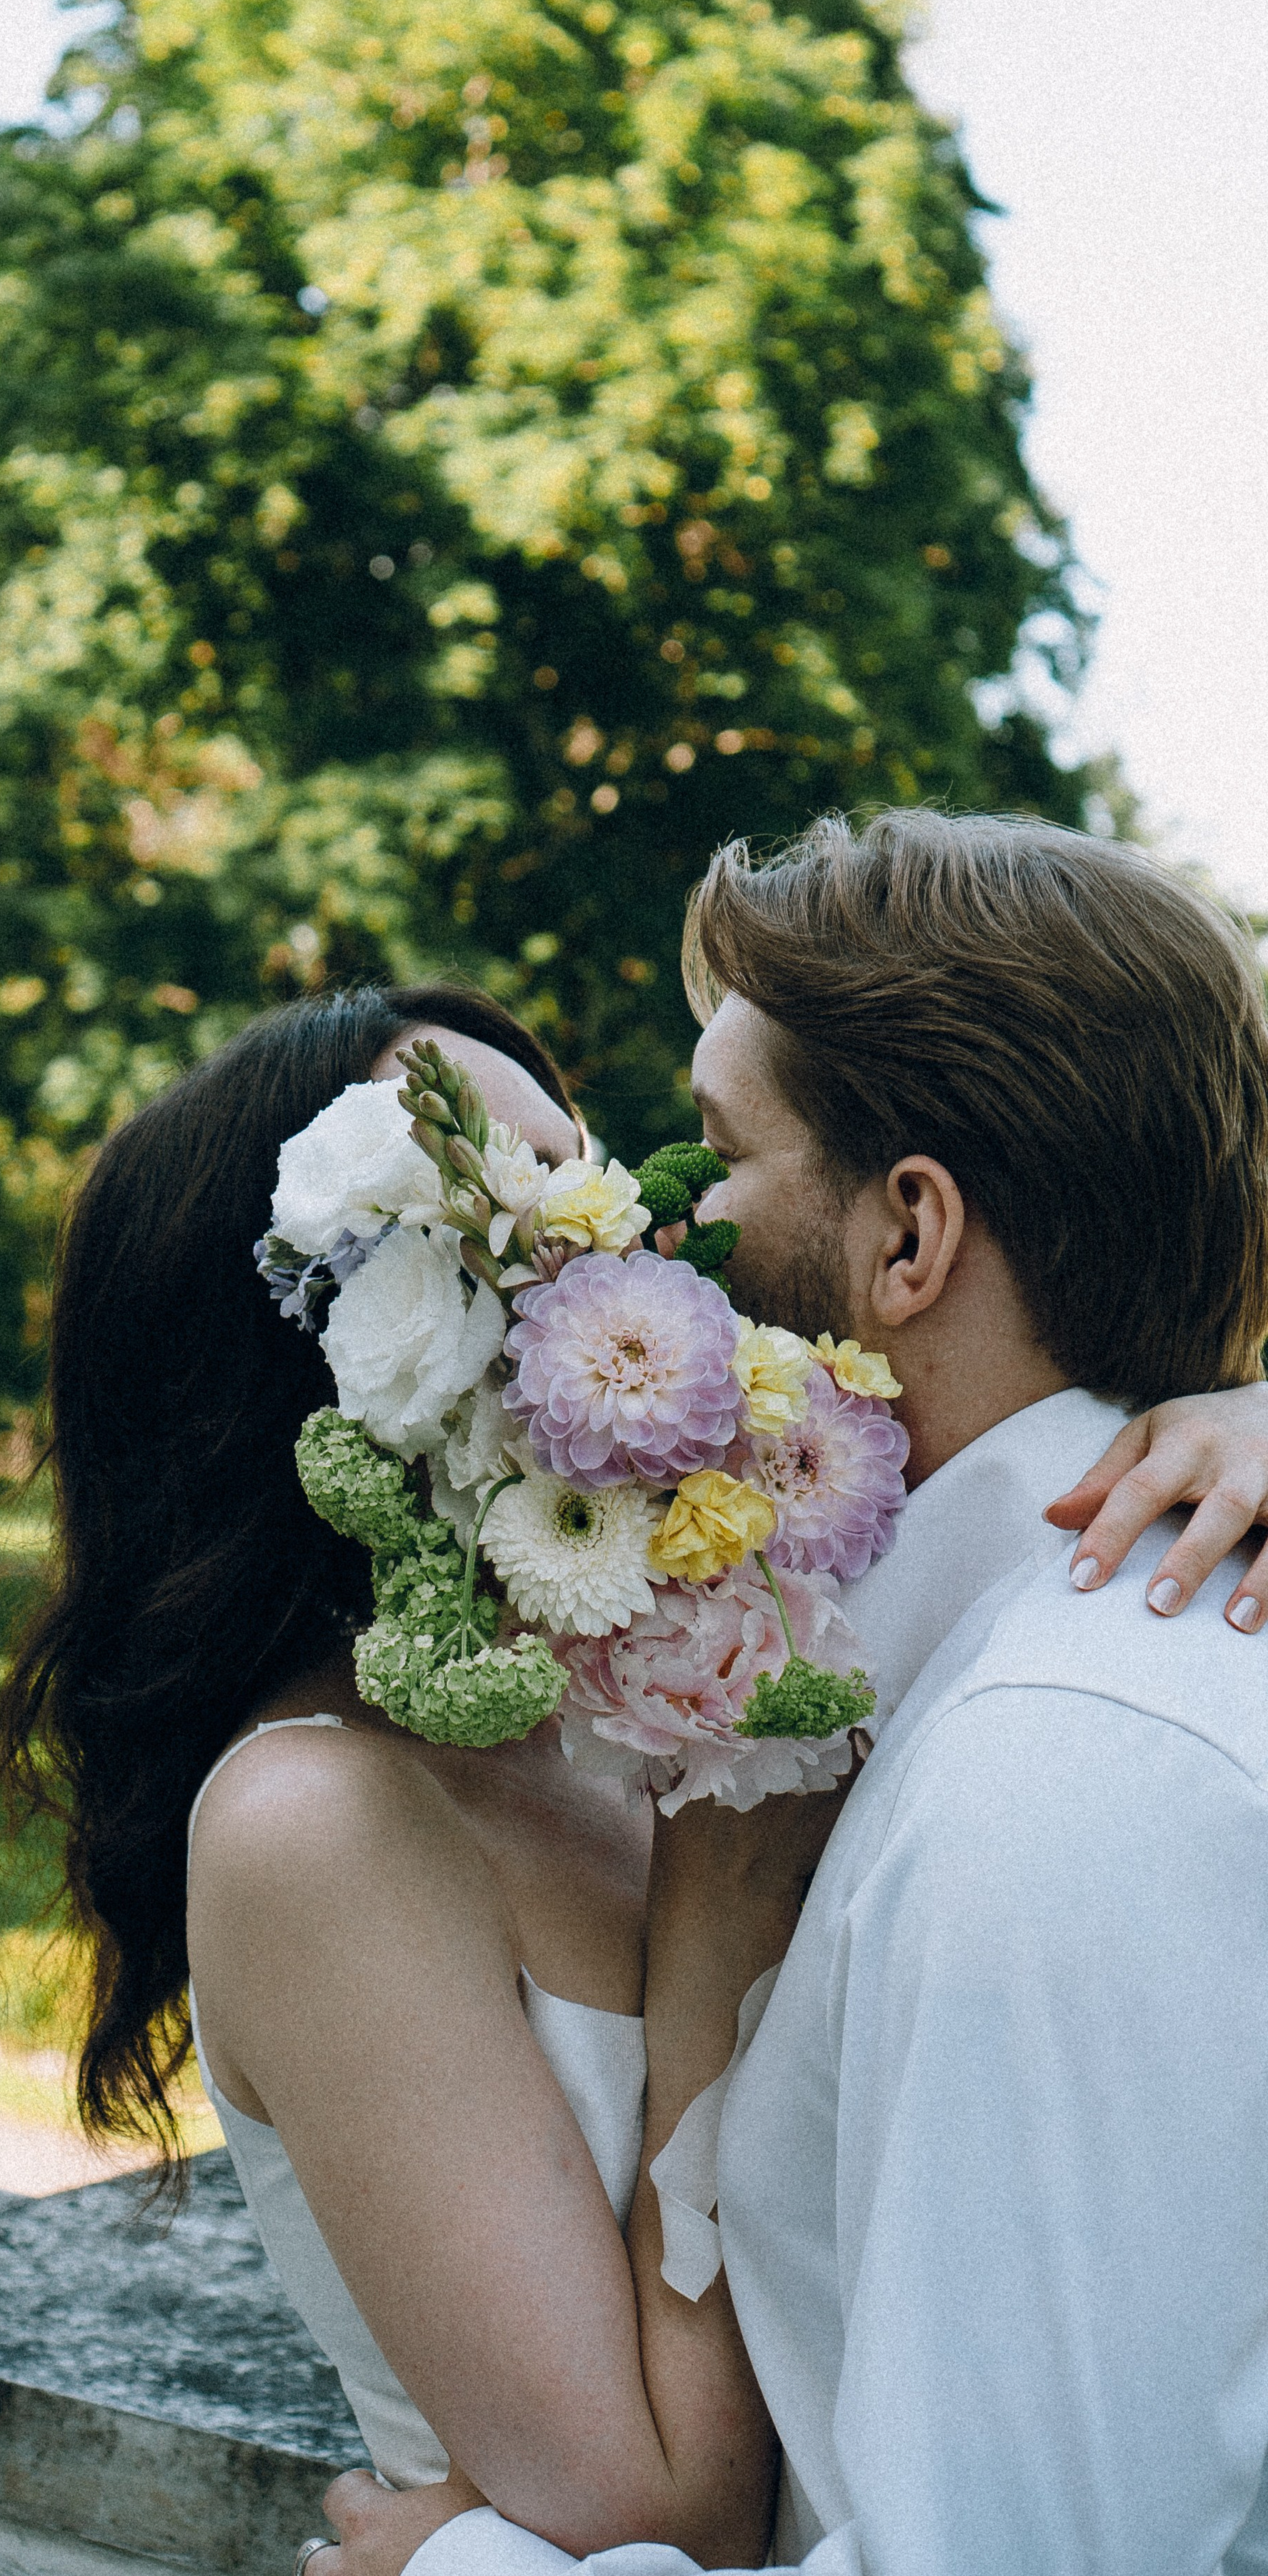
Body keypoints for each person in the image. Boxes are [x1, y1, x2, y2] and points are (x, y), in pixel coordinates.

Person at [0, 948, 1268, 2562]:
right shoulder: (316, 1820)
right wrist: (707, 1947)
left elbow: (1014, 1487)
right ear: (330, 1332)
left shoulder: (666, 1669)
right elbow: (656, 2520)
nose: (638, 1236)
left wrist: (1231, 1414)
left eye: (585, 1169)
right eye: (521, 1204)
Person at [317, 810, 1268, 2576]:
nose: (647, 1244)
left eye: (708, 1160)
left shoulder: (1057, 1788)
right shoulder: (952, 1700)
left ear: (907, 1237)